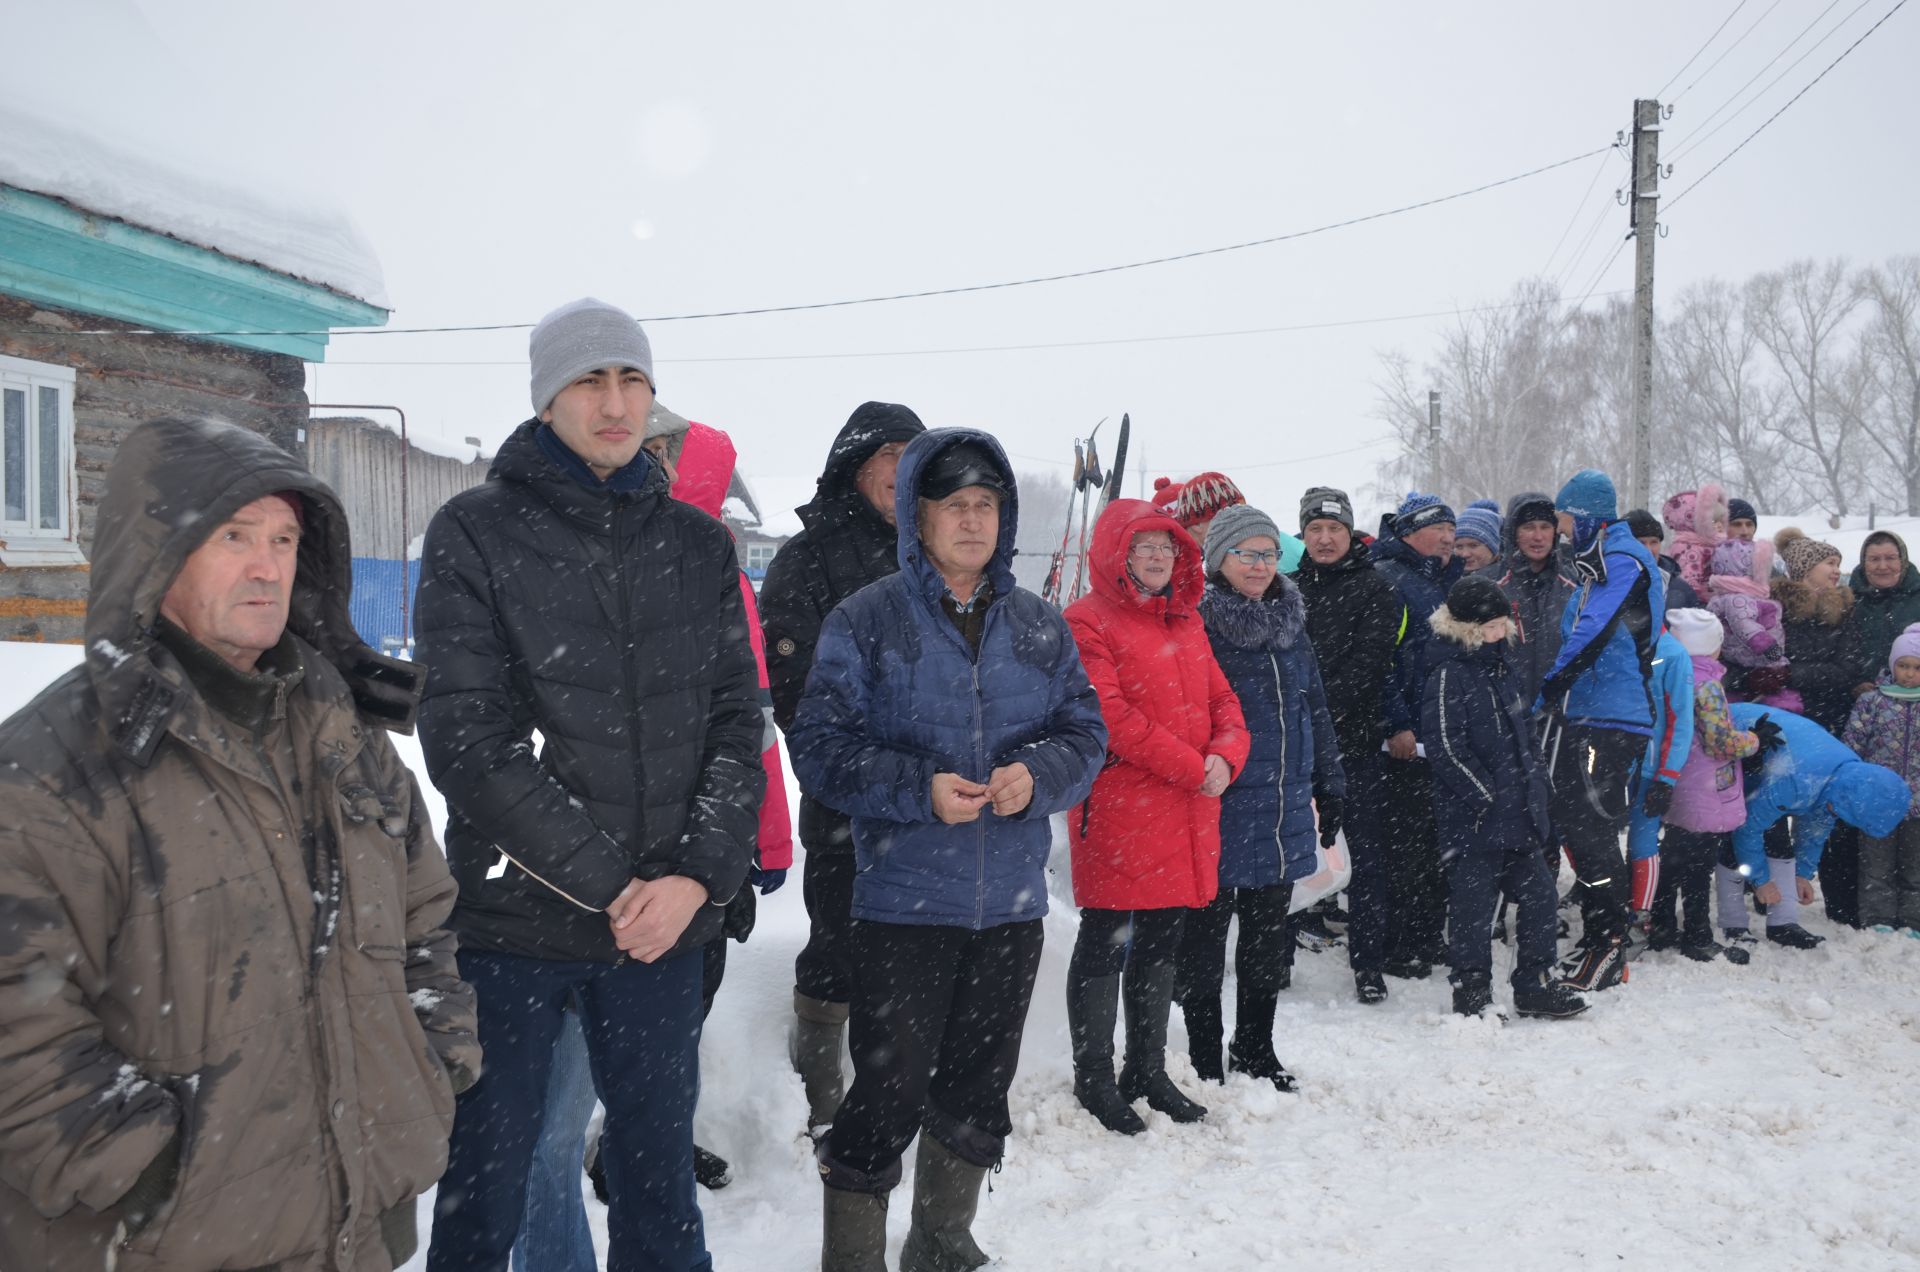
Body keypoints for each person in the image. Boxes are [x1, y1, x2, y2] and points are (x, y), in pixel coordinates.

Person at [0, 416, 478, 1271]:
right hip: (162, 1241)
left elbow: (423, 923)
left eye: (285, 538)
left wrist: (428, 1064)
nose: (268, 566)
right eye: (234, 536)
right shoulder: (54, 771)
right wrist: (142, 1171)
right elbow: (16, 1023)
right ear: (158, 556)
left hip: (355, 1224)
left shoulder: (345, 738)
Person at [419, 297, 766, 1272]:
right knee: (488, 1188)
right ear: (546, 397)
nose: (614, 402)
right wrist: (616, 889)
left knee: (657, 1191)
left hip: (663, 935)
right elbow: (468, 741)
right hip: (514, 934)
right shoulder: (476, 534)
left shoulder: (697, 548)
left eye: (631, 379)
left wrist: (697, 878)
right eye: (589, 379)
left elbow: (740, 726)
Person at [791, 430, 1106, 1270]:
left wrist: (1036, 776)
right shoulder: (866, 621)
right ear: (917, 518)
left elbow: (1085, 735)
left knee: (979, 1087)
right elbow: (820, 748)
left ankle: (939, 1238)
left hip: (1008, 904)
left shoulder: (1039, 625)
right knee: (887, 1093)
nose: (974, 521)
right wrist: (916, 789)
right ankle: (853, 1257)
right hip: (903, 903)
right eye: (954, 505)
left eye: (988, 505)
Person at [760, 400, 926, 1139]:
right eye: (891, 457)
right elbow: (800, 697)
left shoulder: (938, 550)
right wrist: (878, 759)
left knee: (914, 946)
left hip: (934, 798)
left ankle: (896, 1084)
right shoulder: (809, 558)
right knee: (838, 940)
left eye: (915, 456)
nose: (904, 472)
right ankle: (821, 1087)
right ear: (858, 468)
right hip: (845, 798)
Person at [1066, 496, 1250, 1133]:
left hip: (1185, 807)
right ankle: (1093, 1073)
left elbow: (1224, 700)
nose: (1154, 559)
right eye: (1141, 547)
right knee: (1107, 939)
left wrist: (1228, 754)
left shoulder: (1187, 620)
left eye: (1164, 548)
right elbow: (1109, 717)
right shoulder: (1087, 620)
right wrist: (1192, 765)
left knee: (1163, 938)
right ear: (1116, 553)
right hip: (1122, 810)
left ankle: (1145, 1067)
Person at [1177, 504, 1343, 1091]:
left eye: (1269, 554)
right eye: (1246, 553)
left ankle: (1255, 1049)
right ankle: (1202, 1058)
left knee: (1267, 939)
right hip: (1220, 802)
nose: (1258, 565)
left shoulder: (1292, 622)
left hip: (1283, 802)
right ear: (1218, 558)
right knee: (1204, 941)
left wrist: (1330, 782)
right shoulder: (1196, 622)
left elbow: (1314, 706)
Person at [1423, 575, 1588, 1020]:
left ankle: (1534, 983)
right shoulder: (1447, 676)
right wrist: (1484, 798)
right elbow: (1444, 745)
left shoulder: (1503, 672)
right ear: (1469, 629)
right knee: (1473, 913)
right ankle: (1471, 992)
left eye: (1503, 625)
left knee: (1540, 898)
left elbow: (1525, 738)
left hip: (1518, 816)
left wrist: (1538, 791)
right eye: (1491, 626)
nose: (1500, 633)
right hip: (1474, 822)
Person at [1538, 469, 1665, 993]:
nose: (1565, 531)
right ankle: (1601, 936)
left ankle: (1610, 943)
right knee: (1581, 829)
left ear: (1588, 516)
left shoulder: (1623, 560)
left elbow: (1592, 633)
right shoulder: (1602, 562)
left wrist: (1550, 686)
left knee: (1591, 831)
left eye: (1568, 520)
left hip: (1613, 718)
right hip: (1592, 714)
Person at [1296, 486, 1406, 1004]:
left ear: (1349, 533)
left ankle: (1368, 964)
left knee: (1366, 857)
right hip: (1292, 747)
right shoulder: (1284, 588)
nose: (1324, 538)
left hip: (1353, 744)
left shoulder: (1375, 589)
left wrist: (1316, 708)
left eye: (1333, 529)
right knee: (1285, 854)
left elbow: (1369, 666)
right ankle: (1274, 957)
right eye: (1315, 529)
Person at [1720, 703, 1909, 955]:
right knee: (1733, 840)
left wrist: (1802, 874)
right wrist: (1760, 881)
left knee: (1778, 842)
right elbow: (1748, 828)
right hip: (1731, 744)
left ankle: (1783, 923)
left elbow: (1817, 823)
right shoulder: (1798, 780)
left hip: (1772, 764)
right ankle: (1733, 924)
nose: (1838, 817)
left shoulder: (1843, 779)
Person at [1371, 492, 1464, 980]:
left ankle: (1428, 935)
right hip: (1406, 741)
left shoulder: (1449, 581)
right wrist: (1396, 723)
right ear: (1410, 533)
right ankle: (1396, 943)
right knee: (1402, 849)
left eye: (1452, 528)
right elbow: (1381, 660)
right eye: (1438, 528)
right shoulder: (1391, 580)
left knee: (1436, 845)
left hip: (1443, 737)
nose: (1449, 536)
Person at [1654, 610, 1762, 961]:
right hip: (1705, 788)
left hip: (1676, 780)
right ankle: (1698, 934)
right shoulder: (1708, 685)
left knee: (1671, 858)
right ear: (1712, 647)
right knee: (1699, 867)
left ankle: (1661, 923)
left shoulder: (1670, 674)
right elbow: (1720, 741)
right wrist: (1754, 740)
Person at [1774, 529, 1867, 927]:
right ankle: (1775, 895)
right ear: (1805, 569)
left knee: (1829, 810)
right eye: (1829, 563)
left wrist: (1791, 673)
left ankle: (1838, 900)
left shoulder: (1845, 609)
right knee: (1775, 807)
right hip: (1786, 720)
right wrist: (1784, 678)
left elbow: (1848, 668)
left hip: (1831, 721)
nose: (1836, 570)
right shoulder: (1775, 608)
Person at [1844, 631, 1920, 933]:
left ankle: (1913, 919)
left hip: (1918, 802)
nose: (1910, 674)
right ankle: (1878, 919)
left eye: (1917, 667)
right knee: (1877, 865)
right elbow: (1853, 745)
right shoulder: (1872, 701)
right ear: (1892, 665)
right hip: (1878, 800)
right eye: (1904, 666)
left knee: (1915, 868)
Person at [1478, 491, 1577, 707]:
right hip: (1500, 712)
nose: (1538, 536)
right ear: (1513, 532)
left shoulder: (1574, 586)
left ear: (1555, 532)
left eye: (1545, 527)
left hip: (1559, 715)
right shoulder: (1487, 585)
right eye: (1528, 527)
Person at [1708, 538, 1800, 713]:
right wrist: (1767, 645)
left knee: (1748, 694)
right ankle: (1783, 707)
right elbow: (1744, 624)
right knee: (1775, 687)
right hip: (1758, 657)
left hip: (1744, 659)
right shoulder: (1738, 598)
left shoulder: (1729, 596)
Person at [1849, 530, 1920, 679]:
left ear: (1903, 560)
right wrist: (1855, 683)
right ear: (1864, 563)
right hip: (1859, 696)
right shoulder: (1846, 601)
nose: (1882, 566)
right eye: (1874, 559)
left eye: (1890, 558)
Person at [1660, 483, 1727, 600]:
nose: (1720, 526)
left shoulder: (1707, 544)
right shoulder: (1689, 549)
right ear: (1697, 522)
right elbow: (1689, 584)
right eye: (1713, 521)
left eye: (1721, 520)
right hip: (1699, 610)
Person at [1627, 507, 1702, 611]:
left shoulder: (1679, 589)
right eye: (1641, 543)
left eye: (1654, 542)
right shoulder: (1612, 584)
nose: (1648, 550)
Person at [1452, 503, 1502, 573]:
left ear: (1493, 548)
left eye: (1473, 545)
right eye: (1459, 546)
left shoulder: (1508, 579)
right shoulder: (1445, 579)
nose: (1465, 554)